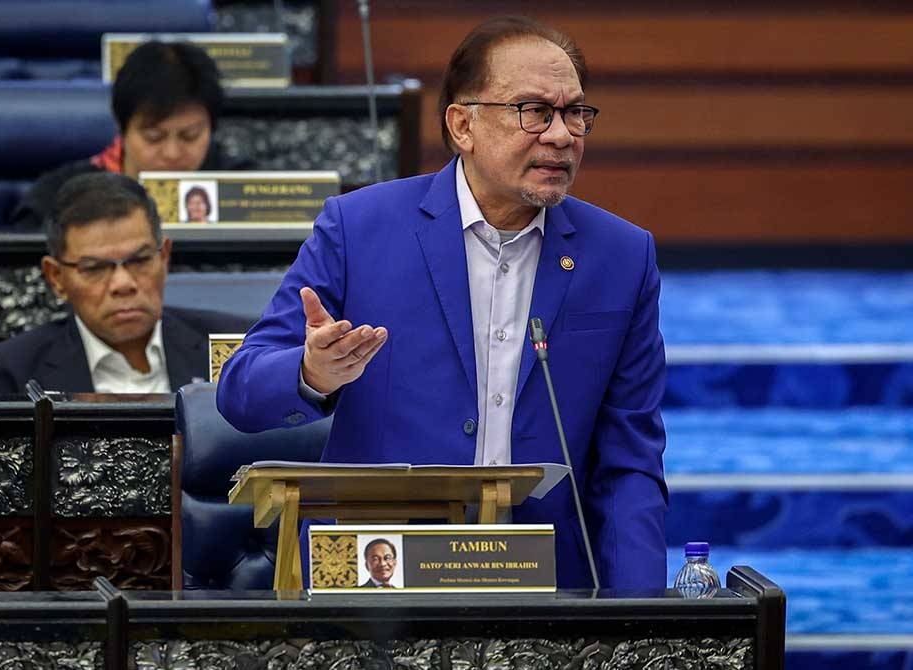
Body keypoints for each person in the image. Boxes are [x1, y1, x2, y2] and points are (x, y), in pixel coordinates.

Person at [216, 17, 667, 590]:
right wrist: (310, 373)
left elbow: (630, 462)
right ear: (463, 124)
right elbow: (239, 392)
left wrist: (643, 614)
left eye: (575, 113)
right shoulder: (359, 228)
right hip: (377, 572)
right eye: (533, 111)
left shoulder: (621, 257)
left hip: (544, 579)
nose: (561, 136)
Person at [0, 172, 252, 394]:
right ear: (56, 278)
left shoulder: (241, 346)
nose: (123, 284)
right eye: (95, 268)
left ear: (164, 257)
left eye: (140, 260)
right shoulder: (10, 374)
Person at [10, 41, 241, 231]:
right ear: (122, 127)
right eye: (153, 137)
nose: (172, 153)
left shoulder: (242, 186)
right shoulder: (61, 196)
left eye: (190, 136)